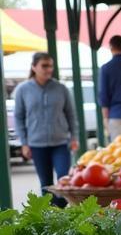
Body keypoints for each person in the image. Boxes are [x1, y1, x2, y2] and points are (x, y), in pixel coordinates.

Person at [14, 51, 77, 200]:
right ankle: (52, 218)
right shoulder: (23, 90)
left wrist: (74, 137)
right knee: (46, 185)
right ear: (34, 67)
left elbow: (71, 115)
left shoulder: (61, 88)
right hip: (36, 144)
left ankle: (57, 209)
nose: (49, 69)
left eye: (51, 66)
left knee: (64, 183)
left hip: (61, 143)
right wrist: (24, 143)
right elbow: (19, 117)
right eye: (44, 65)